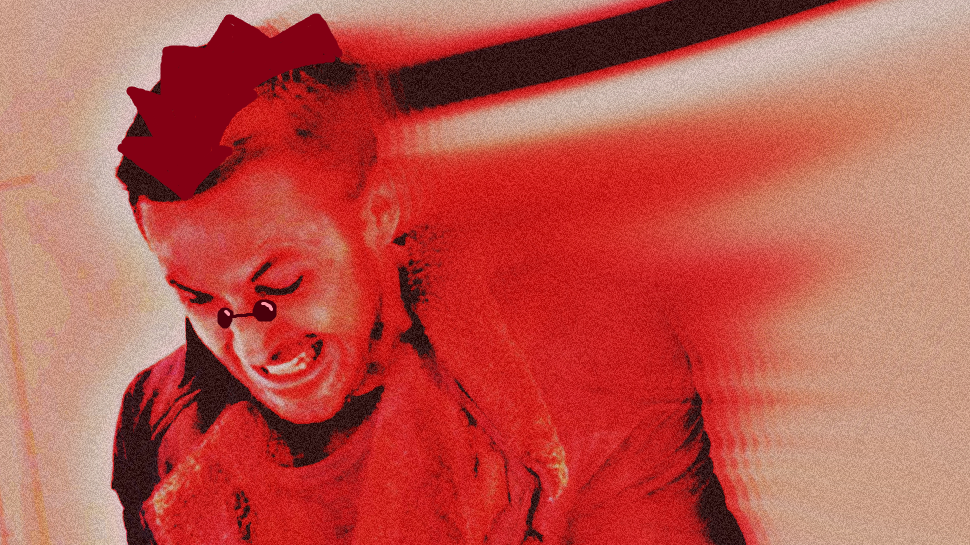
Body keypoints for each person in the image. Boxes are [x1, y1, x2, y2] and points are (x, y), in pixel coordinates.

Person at [111, 18, 746, 545]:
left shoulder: (583, 363)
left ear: (380, 213)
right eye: (200, 299)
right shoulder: (158, 422)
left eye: (280, 286)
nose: (253, 347)